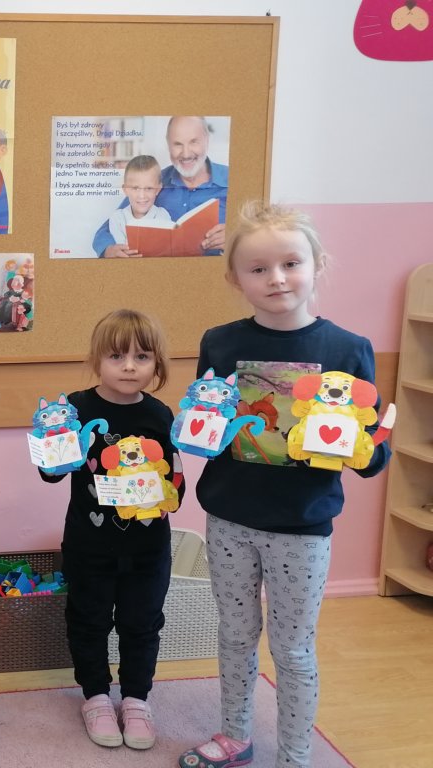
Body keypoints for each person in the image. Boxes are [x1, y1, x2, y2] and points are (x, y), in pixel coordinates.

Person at [178, 202, 391, 768]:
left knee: (293, 649)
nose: (276, 278)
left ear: (317, 264)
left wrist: (364, 451)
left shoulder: (346, 350)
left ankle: (295, 756)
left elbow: (370, 451)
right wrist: (198, 428)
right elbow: (207, 425)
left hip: (302, 525)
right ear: (235, 278)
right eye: (258, 268)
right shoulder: (220, 343)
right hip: (229, 519)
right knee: (234, 634)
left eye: (291, 263)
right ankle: (235, 736)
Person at [38, 309, 182, 751]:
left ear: (157, 363)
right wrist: (51, 450)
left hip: (148, 547)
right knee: (88, 621)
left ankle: (136, 699)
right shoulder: (75, 409)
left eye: (142, 356)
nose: (129, 366)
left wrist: (164, 493)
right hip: (89, 544)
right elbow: (51, 472)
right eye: (117, 356)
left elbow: (175, 480)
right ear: (96, 359)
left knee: (142, 623)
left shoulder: (160, 414)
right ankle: (96, 697)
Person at [94, 116, 228, 258]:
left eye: (194, 142)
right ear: (168, 145)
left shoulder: (233, 179)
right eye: (177, 144)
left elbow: (246, 234)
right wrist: (109, 250)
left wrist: (235, 236)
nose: (186, 154)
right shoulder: (152, 182)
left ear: (207, 140)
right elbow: (105, 231)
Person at [106, 155, 173, 246]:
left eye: (149, 188)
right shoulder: (118, 218)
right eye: (135, 188)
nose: (142, 196)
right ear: (125, 190)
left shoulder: (162, 215)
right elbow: (123, 251)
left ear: (158, 189)